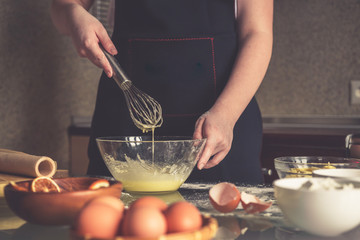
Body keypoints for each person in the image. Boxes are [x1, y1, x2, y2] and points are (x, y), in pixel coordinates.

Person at [51, 0, 273, 184]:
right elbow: (63, 7)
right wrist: (73, 15)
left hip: (220, 127)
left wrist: (226, 114)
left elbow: (257, 32)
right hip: (125, 129)